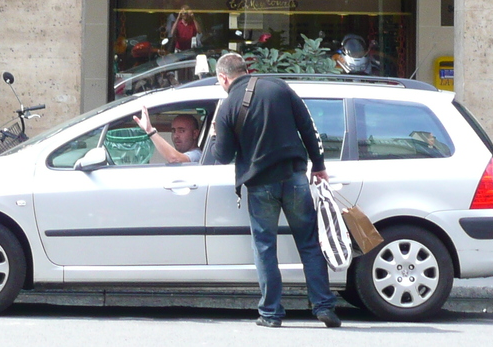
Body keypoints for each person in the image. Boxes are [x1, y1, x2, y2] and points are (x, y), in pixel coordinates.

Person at [207, 53, 340, 329]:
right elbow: (308, 126)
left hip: (259, 183)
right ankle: (324, 306)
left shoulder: (228, 106)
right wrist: (319, 165)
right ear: (246, 69)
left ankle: (271, 313)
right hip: (294, 177)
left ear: (223, 77)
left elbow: (223, 156)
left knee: (265, 247)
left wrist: (214, 133)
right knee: (309, 243)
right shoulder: (278, 87)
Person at [134, 107, 202, 163]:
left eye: (181, 131)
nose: (175, 136)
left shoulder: (197, 155)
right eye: (173, 131)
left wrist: (150, 131)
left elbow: (175, 159)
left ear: (195, 134)